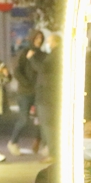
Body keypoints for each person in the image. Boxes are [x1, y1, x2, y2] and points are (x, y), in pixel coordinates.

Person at [8, 30, 45, 156]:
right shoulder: (24, 53)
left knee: (41, 118)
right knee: (23, 119)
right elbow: (17, 71)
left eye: (41, 38)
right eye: (37, 38)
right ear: (32, 38)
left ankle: (39, 142)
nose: (39, 40)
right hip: (25, 92)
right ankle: (13, 142)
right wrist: (27, 84)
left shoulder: (42, 54)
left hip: (38, 91)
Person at [29, 33, 62, 162]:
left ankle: (53, 152)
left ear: (54, 42)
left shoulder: (55, 55)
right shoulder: (58, 54)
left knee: (48, 125)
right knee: (50, 125)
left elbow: (42, 69)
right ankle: (52, 149)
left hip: (47, 95)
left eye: (48, 41)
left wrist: (32, 58)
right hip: (49, 94)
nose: (47, 44)